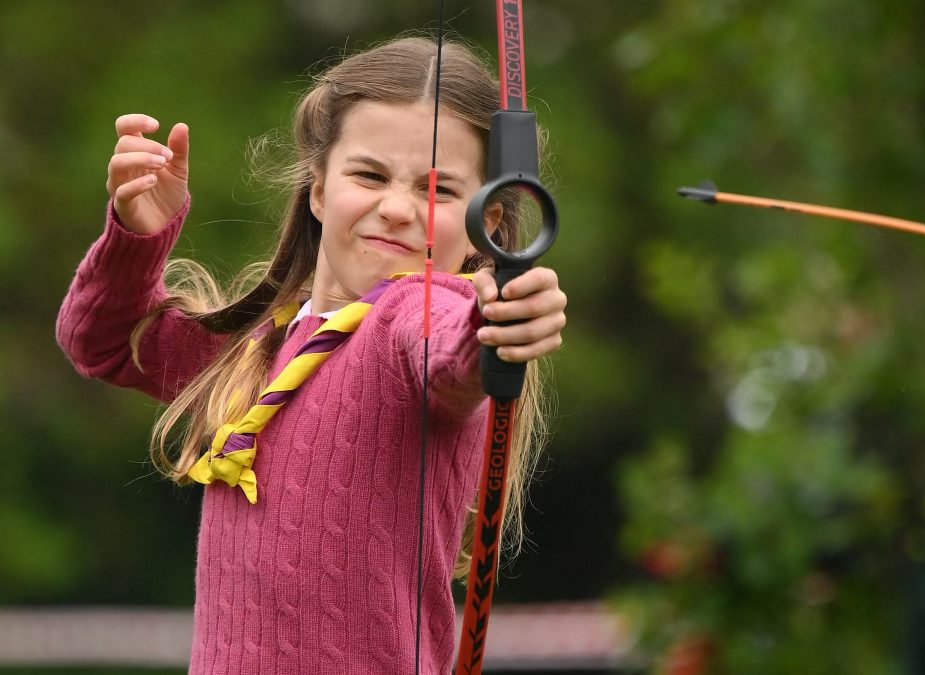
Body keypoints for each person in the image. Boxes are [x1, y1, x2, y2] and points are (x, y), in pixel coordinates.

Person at [55, 36, 567, 673]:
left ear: (485, 227)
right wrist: (136, 233)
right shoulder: (255, 349)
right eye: (369, 174)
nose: (397, 208)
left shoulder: (414, 317)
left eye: (438, 190)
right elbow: (100, 341)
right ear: (318, 189)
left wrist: (496, 324)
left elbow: (448, 348)